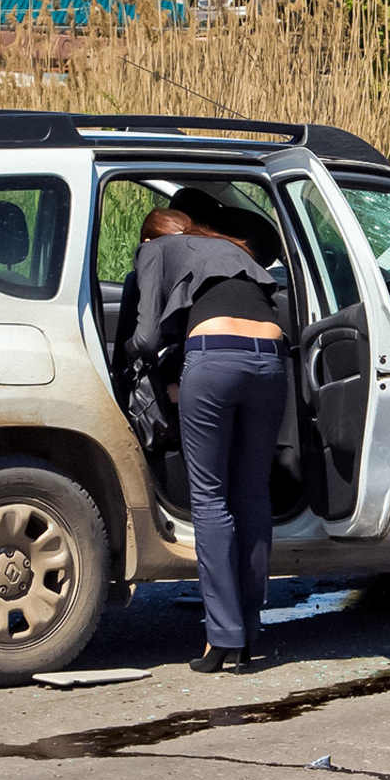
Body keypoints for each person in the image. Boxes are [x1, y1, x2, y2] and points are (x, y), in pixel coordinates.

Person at [129, 207, 288, 674]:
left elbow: (146, 335)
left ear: (151, 236)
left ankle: (221, 639)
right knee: (253, 493)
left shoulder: (155, 250)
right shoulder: (236, 249)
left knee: (211, 498)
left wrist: (144, 363)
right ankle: (249, 629)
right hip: (271, 358)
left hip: (213, 358)